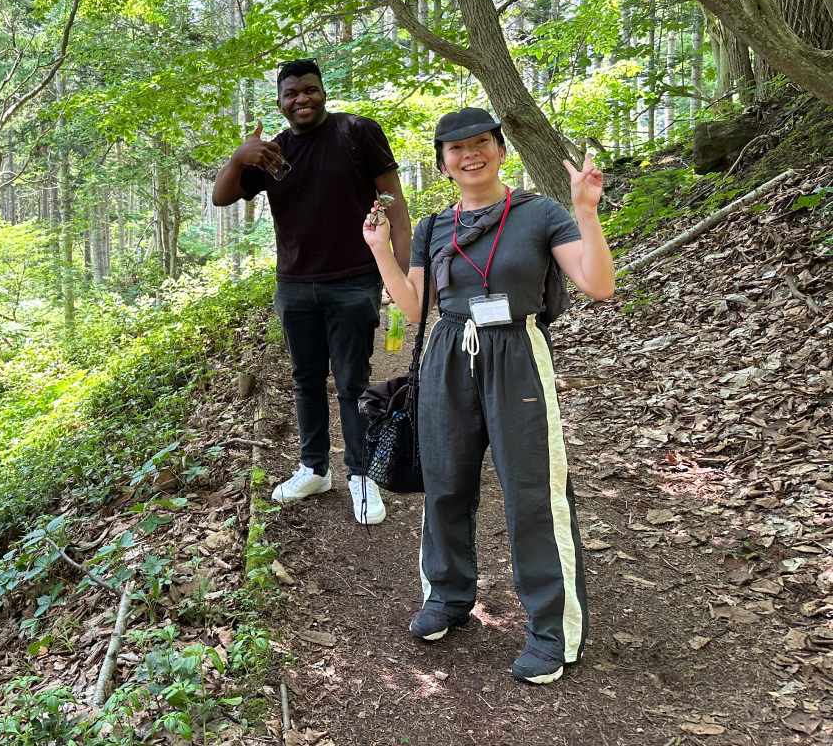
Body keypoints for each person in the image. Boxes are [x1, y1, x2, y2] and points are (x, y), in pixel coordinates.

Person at [361, 107, 614, 684]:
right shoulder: (431, 228)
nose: (469, 154)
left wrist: (586, 211)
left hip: (517, 355)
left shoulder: (542, 214)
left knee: (533, 492)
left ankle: (554, 631)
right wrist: (381, 251)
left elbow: (598, 285)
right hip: (446, 354)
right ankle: (448, 596)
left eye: (480, 142)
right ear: (442, 162)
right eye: (455, 147)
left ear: (500, 149)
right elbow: (415, 309)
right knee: (445, 481)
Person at [212, 58, 410, 524]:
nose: (301, 98)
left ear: (323, 92)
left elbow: (395, 206)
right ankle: (313, 469)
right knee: (305, 381)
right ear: (280, 102)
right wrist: (240, 156)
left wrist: (401, 276)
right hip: (294, 285)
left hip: (355, 280)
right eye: (291, 93)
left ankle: (361, 476)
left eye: (310, 89)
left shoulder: (357, 132)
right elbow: (221, 197)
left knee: (351, 382)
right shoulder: (272, 153)